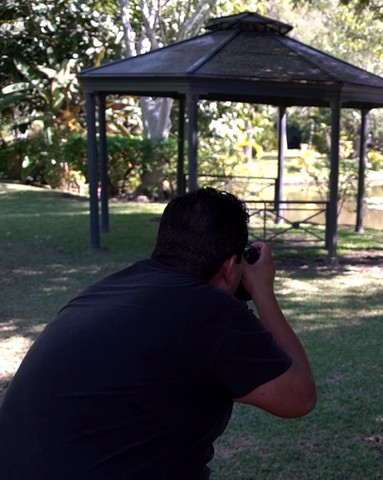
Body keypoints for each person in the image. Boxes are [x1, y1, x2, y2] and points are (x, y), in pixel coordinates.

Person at [0, 187, 317, 479]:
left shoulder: (107, 288)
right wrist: (263, 291)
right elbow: (299, 398)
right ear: (231, 266)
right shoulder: (210, 309)